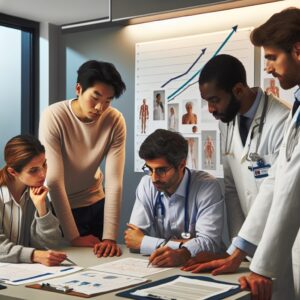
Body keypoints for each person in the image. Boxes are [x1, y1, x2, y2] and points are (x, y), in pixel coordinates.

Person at [184, 8, 300, 300]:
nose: (268, 68)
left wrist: (258, 264)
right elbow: (276, 181)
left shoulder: (282, 116)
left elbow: (289, 190)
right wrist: (240, 251)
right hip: (264, 243)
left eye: (272, 57)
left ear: (298, 51)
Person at [39, 60, 126, 257]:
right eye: (95, 97)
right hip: (61, 206)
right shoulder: (54, 116)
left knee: (101, 264)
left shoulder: (115, 120)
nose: (100, 107)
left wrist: (110, 237)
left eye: (108, 100)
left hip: (95, 202)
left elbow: (114, 182)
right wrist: (73, 236)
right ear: (79, 89)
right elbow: (53, 180)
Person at [124, 129, 224, 267]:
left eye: (161, 170)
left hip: (201, 266)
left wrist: (148, 242)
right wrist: (188, 245)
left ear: (181, 165)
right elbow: (133, 240)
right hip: (162, 266)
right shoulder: (146, 184)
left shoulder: (207, 186)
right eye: (149, 169)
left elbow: (209, 243)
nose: (153, 178)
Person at [0, 135, 67, 265]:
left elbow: (49, 245)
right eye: (33, 170)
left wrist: (42, 209)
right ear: (13, 172)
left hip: (23, 274)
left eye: (44, 164)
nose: (43, 174)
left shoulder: (37, 193)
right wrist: (33, 255)